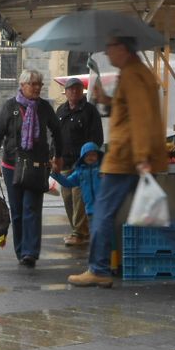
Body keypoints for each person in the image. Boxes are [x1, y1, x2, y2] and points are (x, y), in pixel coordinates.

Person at [69, 35, 175, 290]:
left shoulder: (134, 75)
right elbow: (131, 111)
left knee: (102, 211)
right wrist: (108, 101)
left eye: (110, 47)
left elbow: (142, 118)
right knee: (154, 214)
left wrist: (142, 157)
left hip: (126, 157)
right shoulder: (134, 73)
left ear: (123, 48)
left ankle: (98, 269)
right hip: (132, 157)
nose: (108, 53)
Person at [0, 68, 63, 268]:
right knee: (18, 211)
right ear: (22, 86)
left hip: (37, 166)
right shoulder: (10, 107)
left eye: (40, 84)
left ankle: (30, 252)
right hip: (12, 166)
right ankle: (21, 250)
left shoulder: (45, 108)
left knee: (32, 208)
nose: (37, 87)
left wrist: (58, 156)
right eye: (33, 84)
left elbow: (57, 131)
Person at [56, 77, 104, 246]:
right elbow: (54, 136)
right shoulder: (61, 111)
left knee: (79, 200)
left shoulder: (89, 111)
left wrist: (88, 159)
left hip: (81, 165)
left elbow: (97, 137)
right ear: (66, 92)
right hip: (65, 163)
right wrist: (55, 156)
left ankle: (80, 233)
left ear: (82, 91)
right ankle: (78, 231)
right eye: (71, 89)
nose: (74, 91)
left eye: (77, 89)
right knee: (68, 199)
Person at [51, 141, 102, 234]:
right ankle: (98, 247)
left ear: (98, 156)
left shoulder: (102, 170)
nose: (90, 157)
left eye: (93, 154)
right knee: (95, 233)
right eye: (87, 155)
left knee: (105, 232)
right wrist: (56, 174)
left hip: (103, 208)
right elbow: (67, 183)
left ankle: (107, 248)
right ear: (83, 157)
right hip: (90, 210)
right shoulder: (80, 172)